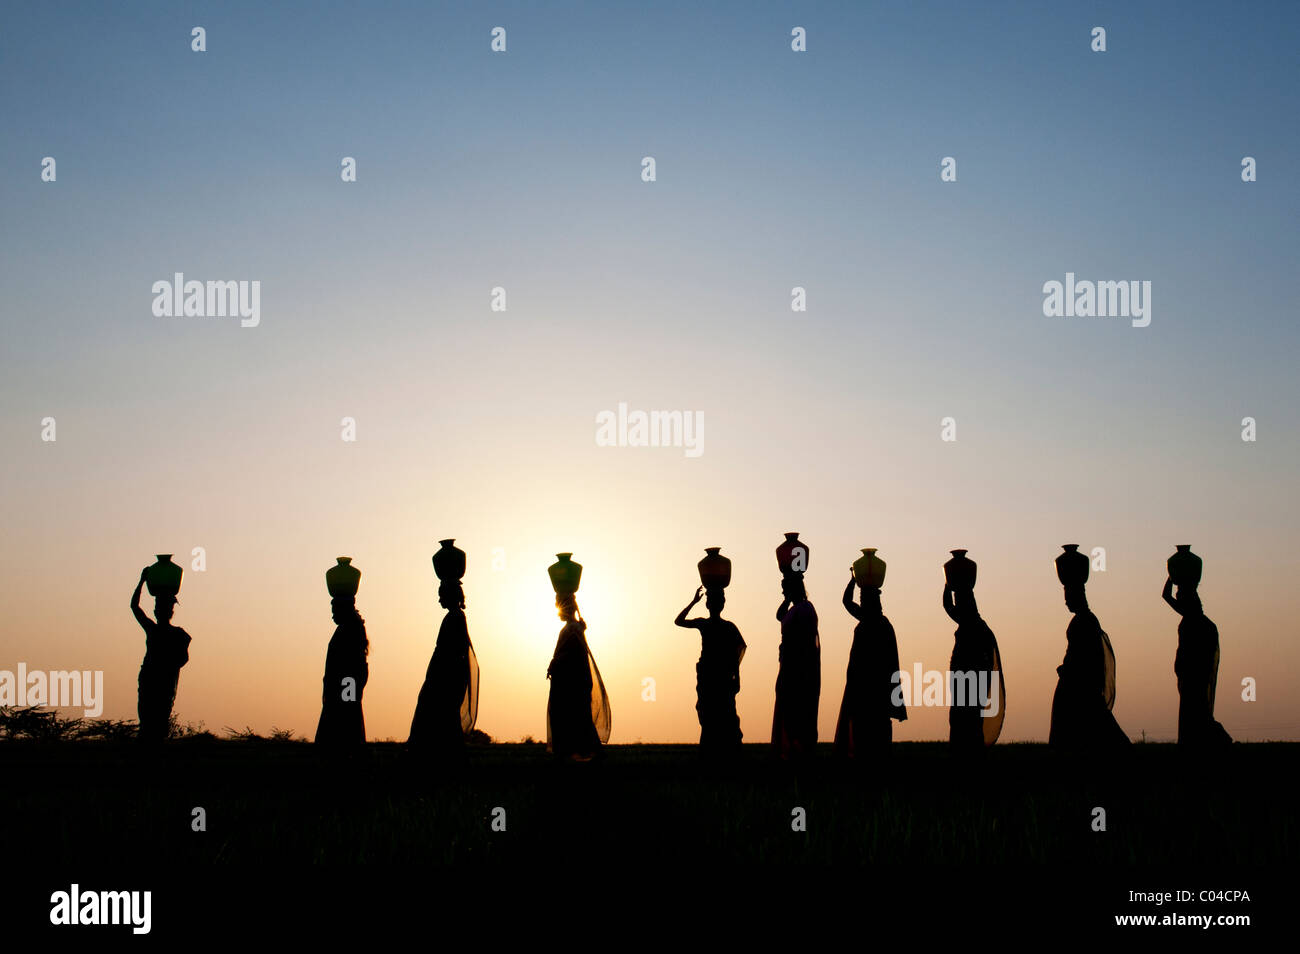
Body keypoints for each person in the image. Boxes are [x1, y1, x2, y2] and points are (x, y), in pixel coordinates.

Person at [1049, 547, 1129, 748]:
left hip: (1079, 688)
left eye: (1068, 596)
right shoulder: (1086, 620)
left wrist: (1067, 671)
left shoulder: (1083, 622)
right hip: (1078, 685)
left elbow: (1081, 659)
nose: (1066, 601)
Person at [834, 572, 906, 757]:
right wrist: (852, 581)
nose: (861, 601)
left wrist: (852, 581)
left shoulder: (875, 623)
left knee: (870, 730)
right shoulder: (877, 621)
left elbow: (847, 602)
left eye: (863, 598)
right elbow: (847, 602)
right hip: (868, 688)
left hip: (872, 688)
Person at [409, 580, 479, 754]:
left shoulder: (455, 618)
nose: (439, 600)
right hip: (444, 678)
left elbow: (449, 652)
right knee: (444, 719)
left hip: (445, 680)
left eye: (441, 596)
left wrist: (437, 678)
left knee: (439, 717)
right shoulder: (454, 617)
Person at [1163, 578, 1232, 747]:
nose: (1177, 598)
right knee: (1198, 709)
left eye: (1180, 595)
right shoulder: (1201, 622)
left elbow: (1165, 595)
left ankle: (1218, 741)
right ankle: (1208, 742)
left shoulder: (1194, 621)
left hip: (1192, 673)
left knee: (1196, 709)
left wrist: (1171, 577)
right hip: (1194, 672)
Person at [675, 585, 746, 750]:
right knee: (714, 716)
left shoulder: (718, 626)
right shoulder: (713, 625)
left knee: (720, 716)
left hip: (718, 678)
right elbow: (678, 622)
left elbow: (736, 654)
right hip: (712, 678)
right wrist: (694, 601)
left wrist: (693, 602)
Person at [546, 592, 611, 760]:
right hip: (569, 681)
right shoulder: (573, 628)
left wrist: (556, 663)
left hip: (571, 683)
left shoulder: (573, 629)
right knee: (576, 716)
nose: (558, 610)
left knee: (574, 716)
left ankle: (580, 753)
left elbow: (573, 655)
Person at [130, 568, 191, 743]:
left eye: (161, 607)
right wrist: (142, 581)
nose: (158, 610)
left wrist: (142, 581)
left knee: (156, 723)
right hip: (151, 681)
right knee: (148, 721)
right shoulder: (156, 630)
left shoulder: (178, 635)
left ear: (170, 612)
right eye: (157, 607)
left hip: (162, 683)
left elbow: (182, 659)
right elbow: (135, 607)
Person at [943, 583, 1004, 750]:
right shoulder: (973, 625)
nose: (957, 605)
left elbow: (948, 606)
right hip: (964, 685)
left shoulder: (975, 628)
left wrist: (949, 585)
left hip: (971, 686)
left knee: (967, 723)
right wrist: (949, 585)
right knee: (963, 722)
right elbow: (948, 606)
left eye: (960, 601)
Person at [772, 573, 820, 759]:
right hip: (788, 664)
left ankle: (801, 751)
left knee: (798, 709)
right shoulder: (793, 609)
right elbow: (779, 616)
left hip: (799, 667)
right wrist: (786, 598)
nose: (783, 592)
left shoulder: (805, 608)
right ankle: (792, 748)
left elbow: (806, 639)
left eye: (785, 589)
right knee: (787, 707)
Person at [316, 595, 369, 746]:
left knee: (347, 724)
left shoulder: (350, 630)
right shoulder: (347, 629)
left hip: (344, 689)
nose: (332, 615)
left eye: (335, 611)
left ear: (343, 610)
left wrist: (346, 698)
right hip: (339, 691)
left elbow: (351, 672)